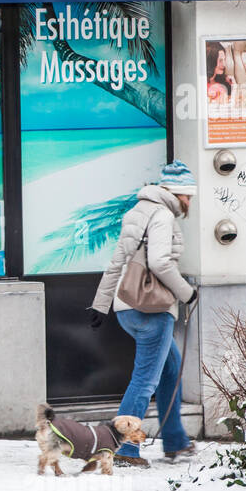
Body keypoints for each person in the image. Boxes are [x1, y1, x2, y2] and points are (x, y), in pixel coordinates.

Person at [87, 161, 199, 466]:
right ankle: (124, 447)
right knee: (145, 380)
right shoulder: (162, 215)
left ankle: (175, 441)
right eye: (187, 196)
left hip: (127, 309)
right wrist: (188, 294)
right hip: (152, 309)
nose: (189, 202)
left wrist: (101, 304)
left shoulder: (136, 211)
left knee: (170, 368)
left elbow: (116, 261)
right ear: (175, 193)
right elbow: (161, 263)